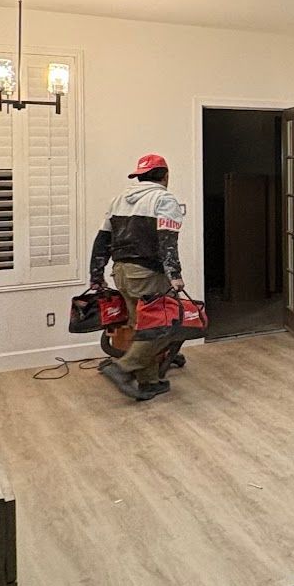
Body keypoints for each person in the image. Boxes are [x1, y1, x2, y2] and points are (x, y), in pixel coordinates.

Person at [90, 153, 188, 401]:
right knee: (165, 325)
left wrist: (96, 273)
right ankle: (123, 369)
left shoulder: (119, 199)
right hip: (147, 274)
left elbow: (102, 240)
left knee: (142, 325)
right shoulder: (165, 200)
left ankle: (149, 382)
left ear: (139, 176)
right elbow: (167, 241)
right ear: (165, 176)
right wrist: (174, 274)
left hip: (121, 272)